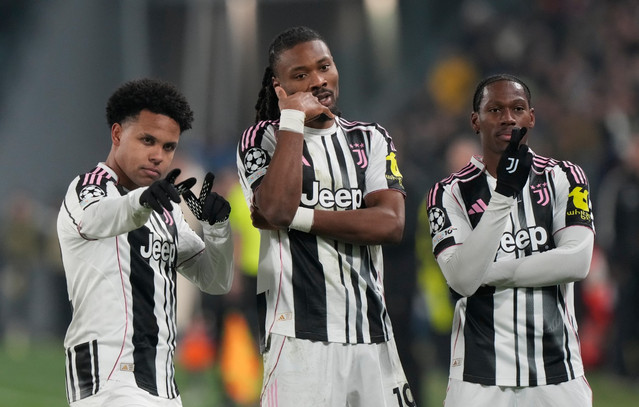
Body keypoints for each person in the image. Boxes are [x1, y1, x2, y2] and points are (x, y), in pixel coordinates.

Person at [236, 26, 414, 406]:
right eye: (300, 75)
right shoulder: (262, 139)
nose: (318, 81)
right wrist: (291, 120)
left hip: (372, 334)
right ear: (279, 86)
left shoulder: (370, 138)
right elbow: (274, 207)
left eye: (324, 66)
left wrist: (298, 217)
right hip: (299, 338)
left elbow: (391, 224)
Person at [57, 78, 234, 406]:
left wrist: (217, 230)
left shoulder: (166, 209)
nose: (158, 156)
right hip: (108, 380)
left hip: (163, 386)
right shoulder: (89, 189)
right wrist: (142, 202)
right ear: (117, 134)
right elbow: (98, 217)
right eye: (147, 140)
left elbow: (215, 280)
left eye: (168, 147)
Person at [426, 74, 595, 406]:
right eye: (495, 109)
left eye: (517, 109)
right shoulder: (448, 193)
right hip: (479, 376)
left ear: (531, 117)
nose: (507, 118)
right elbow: (462, 279)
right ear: (475, 121)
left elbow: (577, 262)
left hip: (557, 371)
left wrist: (485, 273)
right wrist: (504, 194)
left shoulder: (565, 177)